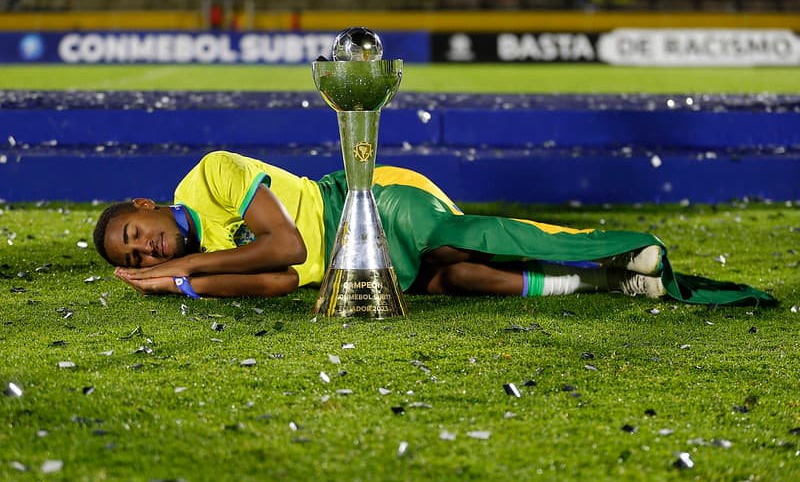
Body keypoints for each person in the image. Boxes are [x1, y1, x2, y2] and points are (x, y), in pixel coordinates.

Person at [93, 150, 776, 307]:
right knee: (455, 280)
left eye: (135, 234)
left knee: (459, 241)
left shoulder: (208, 177)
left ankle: (630, 247)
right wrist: (182, 286)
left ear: (144, 205)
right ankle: (600, 282)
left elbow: (290, 246)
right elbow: (278, 280)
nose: (145, 248)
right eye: (136, 255)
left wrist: (186, 270)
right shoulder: (197, 261)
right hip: (352, 268)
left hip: (371, 205)